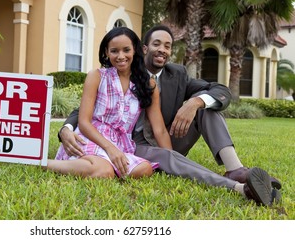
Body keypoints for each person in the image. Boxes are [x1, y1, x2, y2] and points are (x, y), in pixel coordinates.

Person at [58, 25, 281, 206]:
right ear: (143, 48)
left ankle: (236, 170)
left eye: (167, 46)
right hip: (133, 143)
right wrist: (66, 129)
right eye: (156, 44)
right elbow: (88, 113)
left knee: (205, 109)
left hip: (163, 137)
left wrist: (194, 102)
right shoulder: (106, 75)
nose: (162, 50)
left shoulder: (177, 75)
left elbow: (219, 91)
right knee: (164, 159)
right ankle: (240, 188)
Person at [47, 27, 171, 179]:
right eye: (114, 51)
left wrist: (173, 163)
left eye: (126, 50)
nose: (121, 56)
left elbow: (159, 130)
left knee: (144, 169)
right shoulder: (97, 76)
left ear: (135, 51)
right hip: (92, 137)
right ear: (106, 52)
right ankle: (45, 163)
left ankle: (101, 168)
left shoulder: (148, 84)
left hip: (121, 143)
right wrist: (110, 148)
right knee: (104, 172)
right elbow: (84, 122)